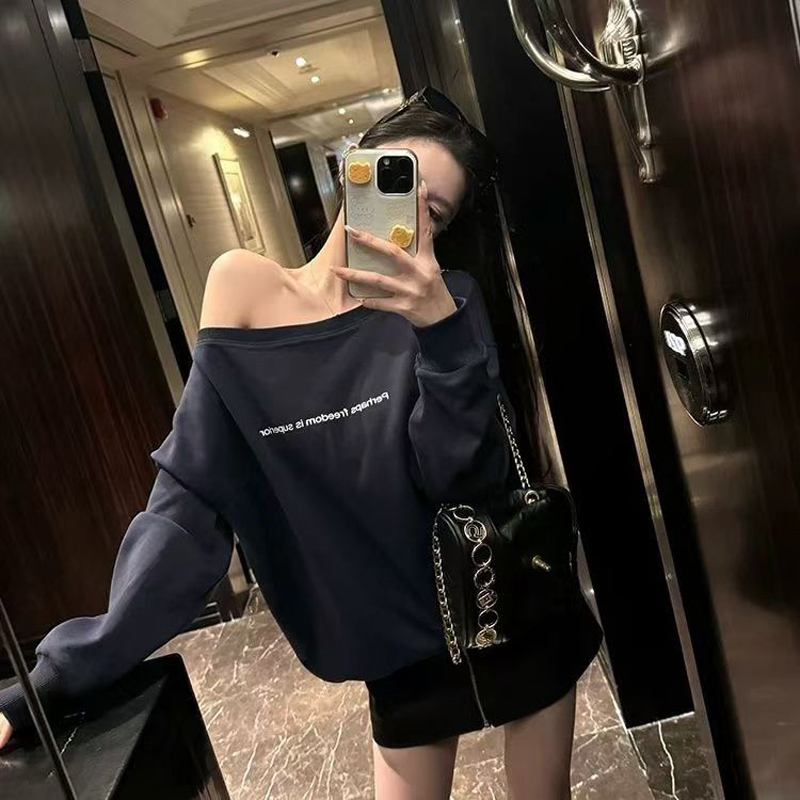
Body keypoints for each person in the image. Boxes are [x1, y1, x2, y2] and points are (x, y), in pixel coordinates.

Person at [0, 88, 602, 799]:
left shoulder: (448, 304)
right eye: (398, 178)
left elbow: (463, 481)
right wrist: (51, 682)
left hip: (513, 614)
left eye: (434, 212)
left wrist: (441, 335)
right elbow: (189, 504)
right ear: (355, 165)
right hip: (397, 656)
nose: (410, 216)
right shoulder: (245, 288)